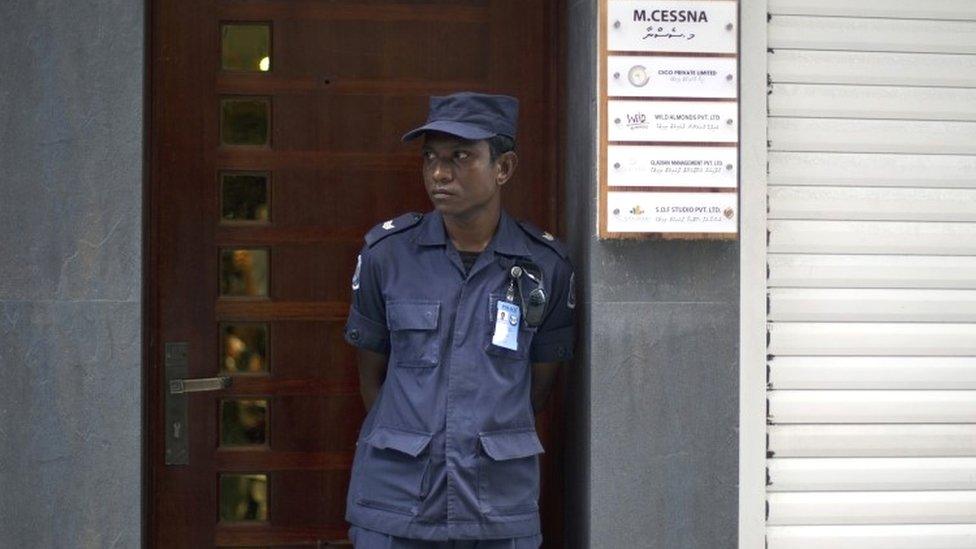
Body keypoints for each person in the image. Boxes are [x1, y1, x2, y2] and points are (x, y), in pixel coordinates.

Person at [342, 92, 576, 548]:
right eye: (430, 158)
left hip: (497, 505)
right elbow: (372, 376)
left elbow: (539, 387)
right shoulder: (387, 256)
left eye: (460, 157)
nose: (438, 173)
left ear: (503, 168)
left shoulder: (545, 265)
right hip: (396, 501)